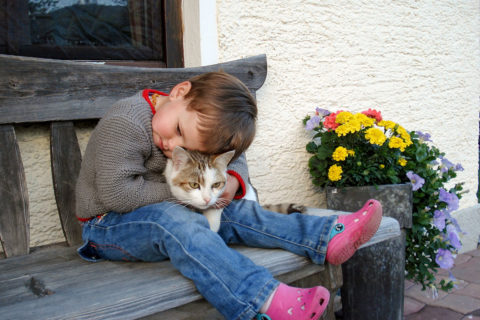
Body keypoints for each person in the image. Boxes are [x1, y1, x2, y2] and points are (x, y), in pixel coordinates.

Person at [75, 71, 382, 320]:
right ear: (180, 92)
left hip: (169, 210)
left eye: (193, 147)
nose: (172, 143)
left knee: (234, 211)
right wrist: (189, 197)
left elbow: (232, 158)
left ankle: (325, 236)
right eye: (178, 129)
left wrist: (232, 181)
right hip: (108, 225)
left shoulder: (186, 122)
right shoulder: (126, 122)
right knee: (175, 219)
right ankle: (265, 298)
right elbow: (119, 193)